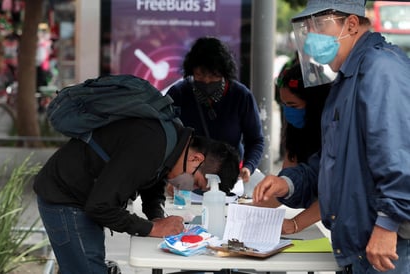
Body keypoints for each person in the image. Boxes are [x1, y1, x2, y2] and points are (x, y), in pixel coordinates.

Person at [253, 0, 410, 273]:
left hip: (386, 248)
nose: (311, 36)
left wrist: (388, 223)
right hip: (357, 247)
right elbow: (334, 162)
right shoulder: (347, 79)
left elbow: (400, 155)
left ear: (351, 24)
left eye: (319, 25)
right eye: (308, 28)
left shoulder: (381, 68)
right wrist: (288, 183)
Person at [33, 119, 240, 273]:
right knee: (88, 268)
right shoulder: (152, 143)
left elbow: (153, 179)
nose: (189, 188)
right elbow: (100, 206)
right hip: (65, 196)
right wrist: (153, 228)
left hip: (84, 195)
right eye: (197, 183)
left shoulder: (172, 139)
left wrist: (155, 214)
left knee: (83, 265)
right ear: (196, 158)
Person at [167, 36, 264, 184]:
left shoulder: (241, 96)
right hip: (185, 175)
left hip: (229, 175)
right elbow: (167, 138)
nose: (206, 81)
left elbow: (255, 140)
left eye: (213, 75)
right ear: (191, 71)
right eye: (199, 75)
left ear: (224, 73)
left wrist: (248, 166)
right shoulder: (178, 94)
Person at [262, 59, 331, 235]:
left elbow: (334, 192)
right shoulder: (295, 130)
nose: (288, 112)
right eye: (284, 105)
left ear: (314, 103)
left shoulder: (334, 133)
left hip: (328, 222)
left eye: (293, 105)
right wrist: (253, 207)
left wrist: (296, 224)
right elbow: (286, 182)